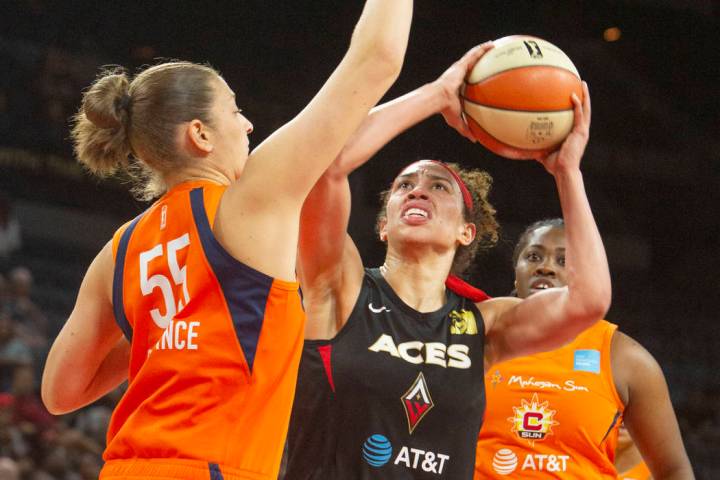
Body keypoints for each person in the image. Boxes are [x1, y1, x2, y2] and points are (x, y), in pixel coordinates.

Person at [40, 2, 414, 479]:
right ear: (200, 134)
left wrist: (159, 334)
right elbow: (377, 57)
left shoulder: (117, 251)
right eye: (235, 110)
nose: (248, 124)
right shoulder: (248, 200)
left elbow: (60, 392)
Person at [283, 41, 611, 478]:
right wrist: (437, 95)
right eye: (404, 186)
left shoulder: (484, 324)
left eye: (438, 187)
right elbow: (322, 163)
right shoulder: (339, 285)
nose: (417, 191)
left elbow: (589, 301)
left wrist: (568, 173)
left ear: (466, 232)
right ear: (383, 226)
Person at [474, 219, 693, 479]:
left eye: (564, 261)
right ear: (516, 271)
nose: (545, 268)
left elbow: (673, 470)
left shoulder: (625, 358)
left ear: (590, 276)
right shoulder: (471, 337)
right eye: (533, 256)